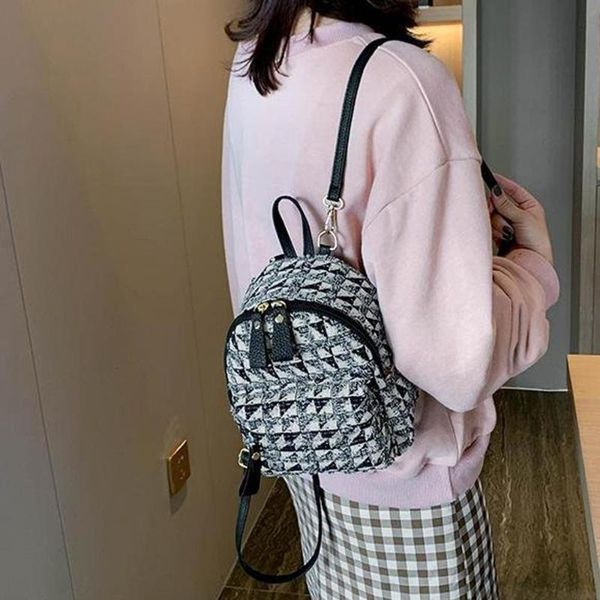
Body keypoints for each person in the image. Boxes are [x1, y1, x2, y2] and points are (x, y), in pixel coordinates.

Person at [221, 2, 559, 598]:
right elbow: (457, 365)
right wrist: (530, 267)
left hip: (308, 446)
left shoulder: (258, 63)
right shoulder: (403, 80)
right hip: (407, 487)